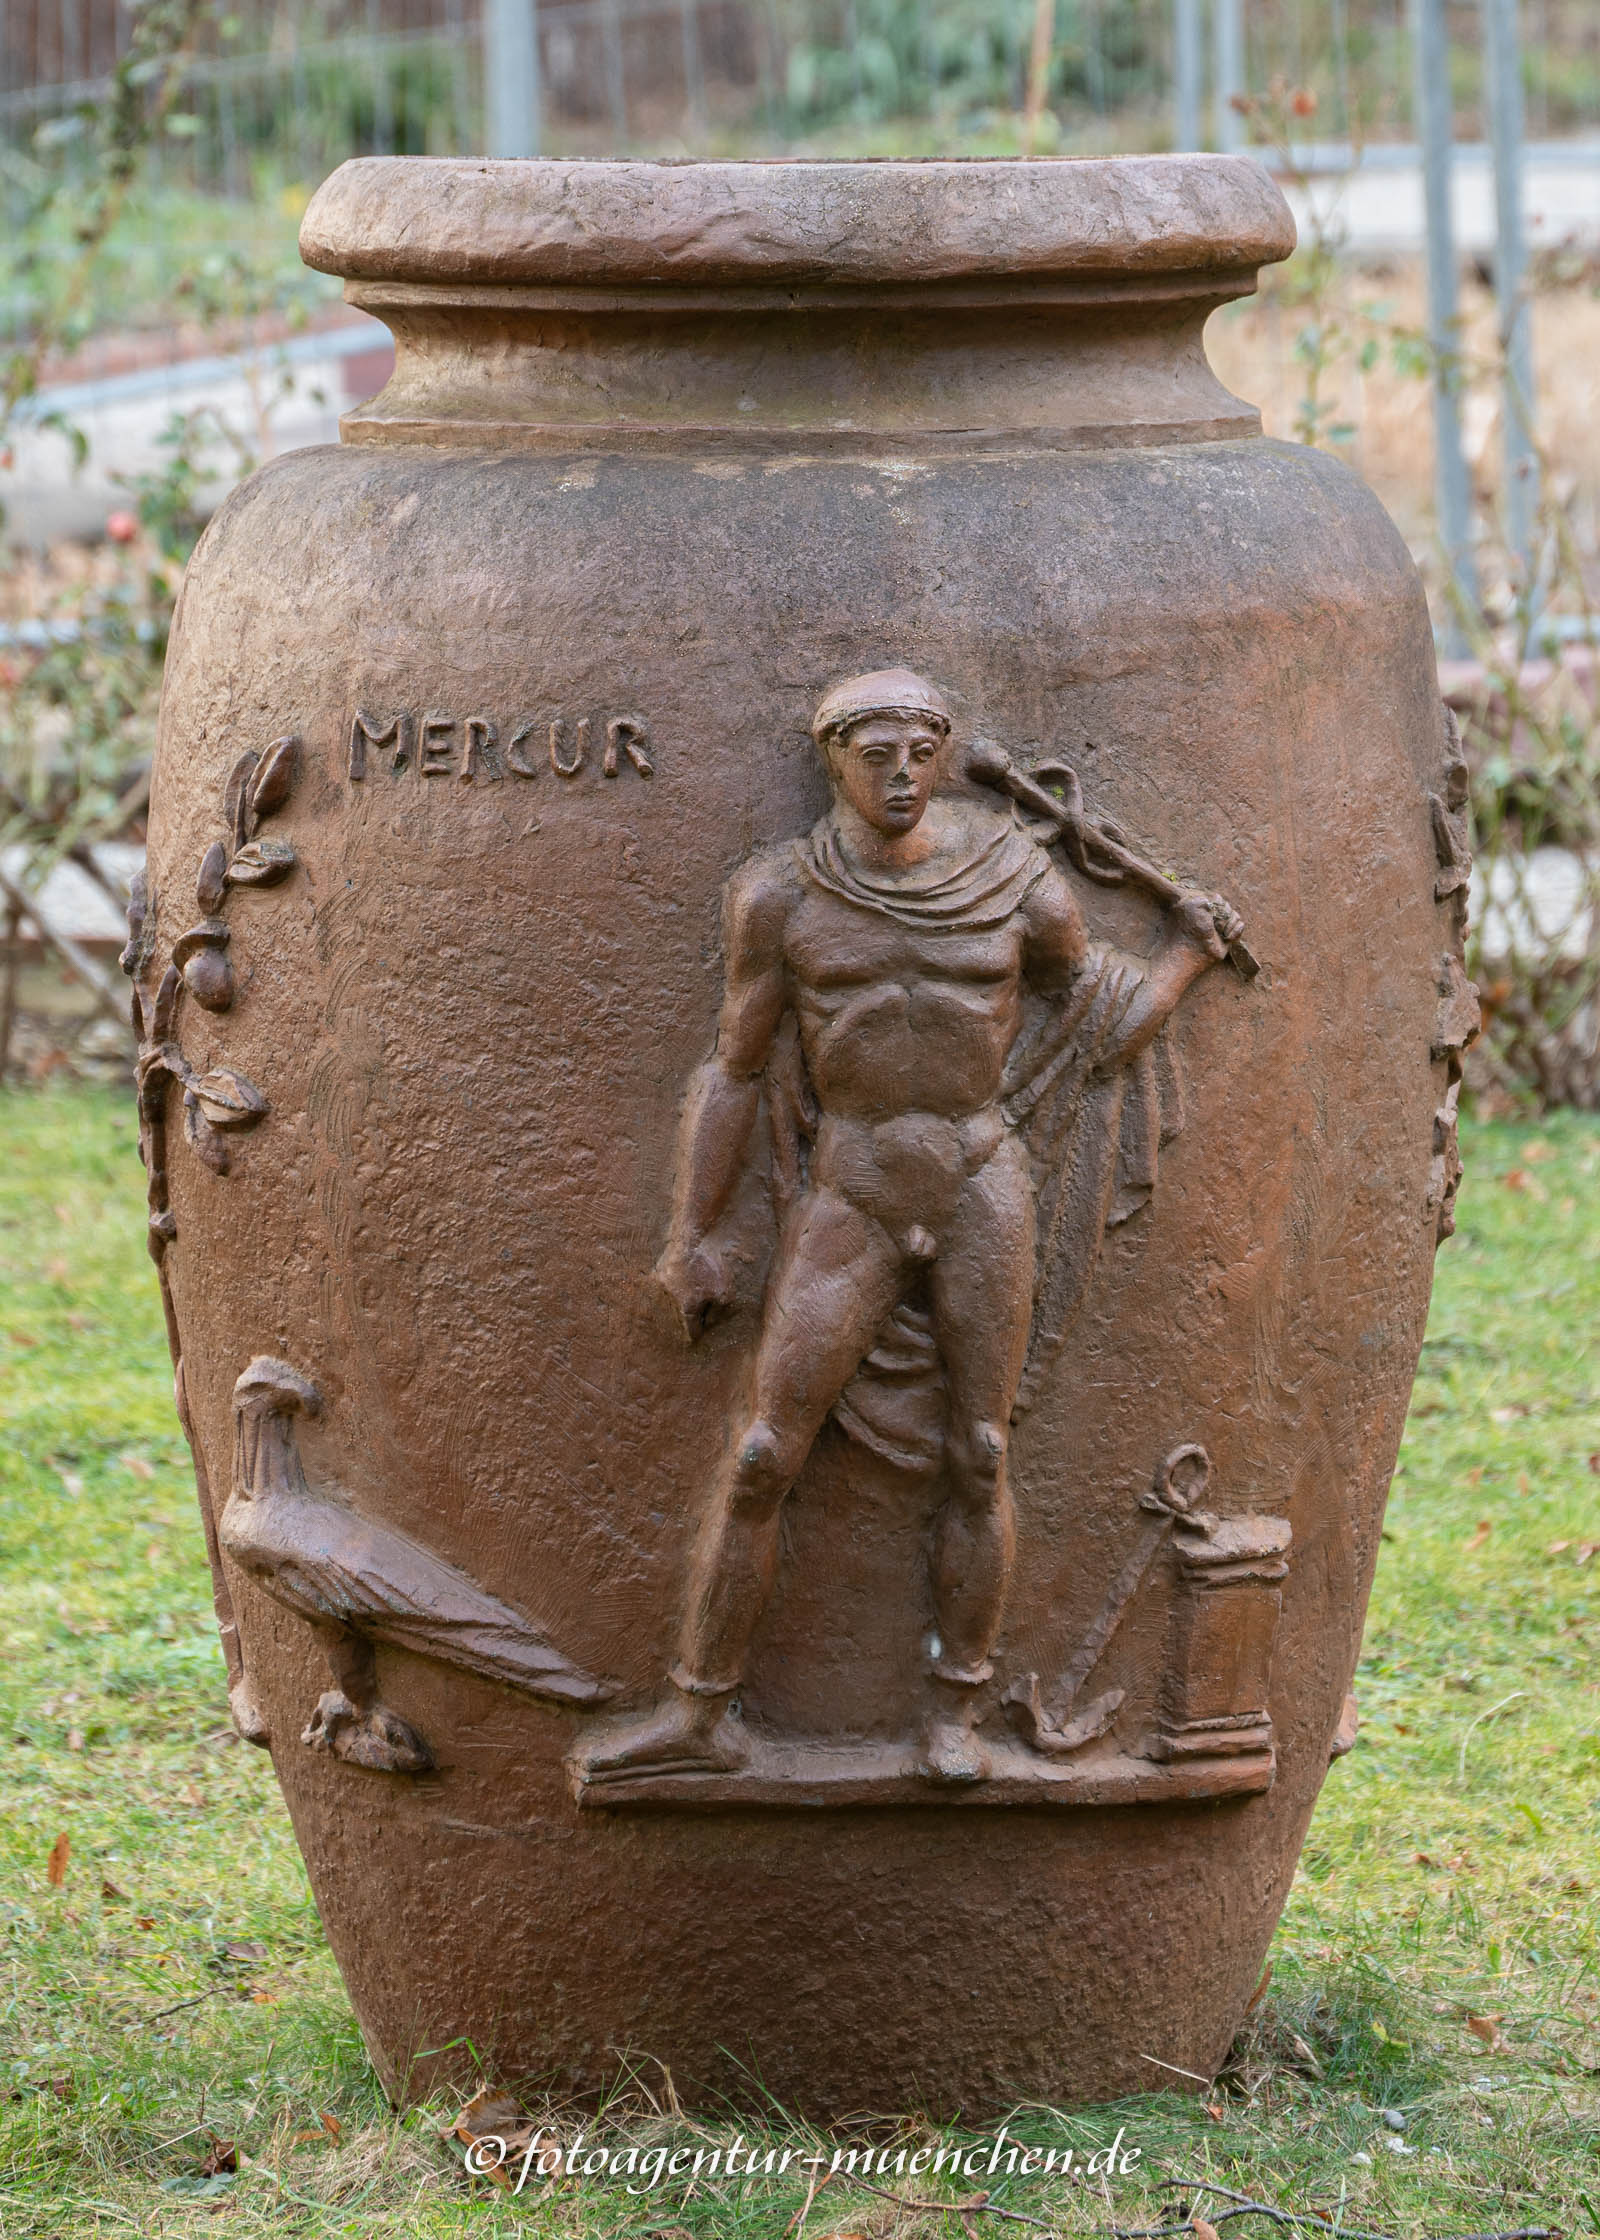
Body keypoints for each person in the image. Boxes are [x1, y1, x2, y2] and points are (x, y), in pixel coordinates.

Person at [578, 668, 1243, 1783]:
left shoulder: (1017, 882)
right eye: (875, 754)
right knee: (763, 1453)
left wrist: (1184, 950)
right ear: (831, 758)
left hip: (980, 1184)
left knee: (980, 1453)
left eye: (922, 754)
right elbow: (734, 1069)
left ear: (944, 756)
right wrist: (691, 1234)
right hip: (853, 1192)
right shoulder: (779, 896)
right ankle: (700, 1711)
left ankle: (954, 1715)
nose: (901, 776)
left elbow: (1098, 1019)